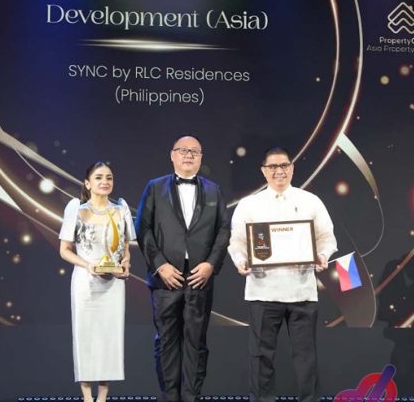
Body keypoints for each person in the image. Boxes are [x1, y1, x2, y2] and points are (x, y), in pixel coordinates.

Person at [228, 147, 337, 402]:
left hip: (302, 292)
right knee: (260, 356)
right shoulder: (249, 205)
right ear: (264, 171)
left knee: (306, 356)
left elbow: (327, 238)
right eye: (273, 167)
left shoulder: (310, 201)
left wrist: (323, 255)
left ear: (292, 168)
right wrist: (241, 261)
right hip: (263, 292)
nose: (279, 171)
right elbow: (237, 242)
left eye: (284, 166)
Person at [135, 135, 230, 402]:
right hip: (166, 277)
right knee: (166, 340)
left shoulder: (214, 190)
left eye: (194, 151)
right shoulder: (155, 187)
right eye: (183, 150)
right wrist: (160, 265)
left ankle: (192, 397)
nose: (189, 155)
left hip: (200, 276)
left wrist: (211, 265)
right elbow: (143, 228)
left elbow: (224, 230)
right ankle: (170, 397)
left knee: (196, 341)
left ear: (201, 157)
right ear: (172, 155)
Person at [59, 161, 135, 402]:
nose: (105, 182)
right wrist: (87, 265)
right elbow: (65, 250)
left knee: (109, 338)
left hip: (113, 284)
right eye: (99, 177)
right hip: (85, 283)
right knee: (86, 337)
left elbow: (125, 247)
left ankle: (102, 397)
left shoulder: (121, 209)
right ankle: (86, 397)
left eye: (109, 177)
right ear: (88, 183)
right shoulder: (76, 209)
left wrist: (125, 264)